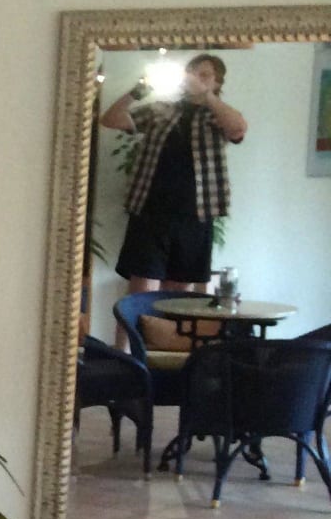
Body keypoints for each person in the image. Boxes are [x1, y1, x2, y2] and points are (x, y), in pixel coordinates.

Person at [100, 53, 247, 346]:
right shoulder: (161, 110)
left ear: (217, 82)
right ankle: (123, 357)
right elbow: (110, 119)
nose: (196, 78)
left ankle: (165, 360)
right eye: (192, 72)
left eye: (205, 75)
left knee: (177, 297)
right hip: (150, 212)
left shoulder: (217, 115)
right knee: (140, 291)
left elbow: (238, 128)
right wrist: (137, 90)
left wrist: (207, 96)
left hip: (196, 216)